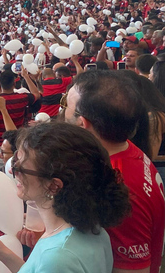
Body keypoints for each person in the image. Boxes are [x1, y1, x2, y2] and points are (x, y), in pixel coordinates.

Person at [0, 122, 131, 273]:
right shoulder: (92, 229)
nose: (13, 170)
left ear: (53, 185)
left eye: (20, 165)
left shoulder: (59, 258)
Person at [64, 70, 165, 273]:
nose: (63, 111)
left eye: (65, 105)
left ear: (83, 123)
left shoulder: (117, 185)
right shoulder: (125, 149)